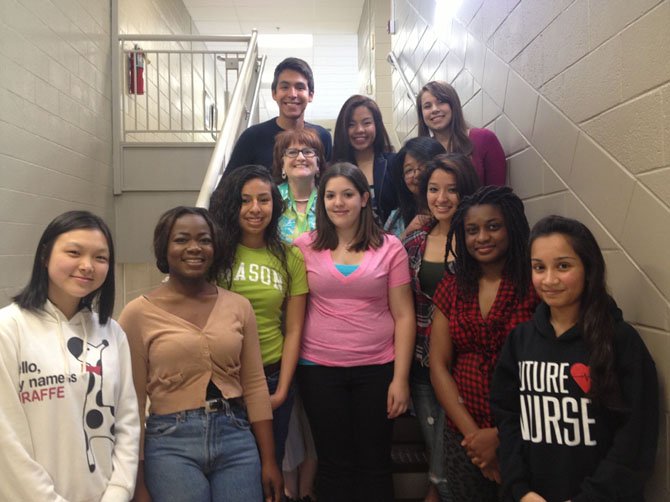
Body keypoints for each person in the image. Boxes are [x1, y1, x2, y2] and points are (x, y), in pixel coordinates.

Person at [491, 215, 659, 502]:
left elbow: (634, 437)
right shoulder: (520, 340)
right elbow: (508, 421)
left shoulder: (620, 341)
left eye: (563, 266)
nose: (549, 279)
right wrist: (520, 489)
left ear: (588, 268)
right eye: (538, 268)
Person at [119, 206, 281, 502]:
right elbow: (132, 403)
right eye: (181, 239)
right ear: (164, 248)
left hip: (236, 437)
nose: (194, 248)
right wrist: (137, 481)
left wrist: (270, 460)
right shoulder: (137, 314)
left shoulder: (239, 307)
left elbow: (256, 385)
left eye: (204, 240)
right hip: (170, 444)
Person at [293, 163, 415, 501]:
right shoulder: (303, 246)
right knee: (334, 464)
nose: (338, 202)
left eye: (347, 194)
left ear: (364, 198)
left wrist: (400, 379)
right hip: (318, 371)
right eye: (330, 195)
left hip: (377, 369)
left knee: (375, 463)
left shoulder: (390, 247)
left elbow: (404, 315)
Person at [0, 210, 139, 501]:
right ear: (44, 255)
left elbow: (127, 421)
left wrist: (119, 491)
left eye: (100, 258)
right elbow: (6, 440)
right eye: (74, 252)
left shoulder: (111, 332)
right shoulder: (8, 328)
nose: (87, 265)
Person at [430, 186, 539, 501]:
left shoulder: (534, 286)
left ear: (512, 228)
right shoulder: (452, 287)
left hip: (526, 433)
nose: (482, 237)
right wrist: (474, 436)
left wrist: (501, 437)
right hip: (465, 434)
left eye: (493, 227)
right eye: (472, 230)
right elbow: (438, 365)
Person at [209, 166, 308, 471]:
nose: (255, 209)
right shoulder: (215, 254)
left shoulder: (290, 257)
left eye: (263, 200)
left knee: (270, 468)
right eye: (245, 200)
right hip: (219, 380)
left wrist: (281, 390)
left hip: (271, 375)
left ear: (275, 205)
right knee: (230, 471)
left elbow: (293, 330)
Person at [402, 153, 481, 501]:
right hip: (422, 363)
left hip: (465, 366)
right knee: (437, 448)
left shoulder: (478, 243)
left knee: (459, 455)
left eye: (452, 190)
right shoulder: (415, 242)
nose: (442, 198)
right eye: (434, 189)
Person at [224, 57, 332, 174]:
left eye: (300, 87)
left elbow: (329, 183)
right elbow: (227, 187)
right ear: (274, 93)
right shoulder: (252, 137)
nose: (292, 94)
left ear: (310, 95)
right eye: (285, 87)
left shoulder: (322, 137)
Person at [417, 81, 506, 186]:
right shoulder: (419, 153)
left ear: (453, 105)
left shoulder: (484, 139)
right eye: (427, 106)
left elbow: (497, 194)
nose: (434, 109)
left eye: (441, 102)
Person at [332, 94, 397, 222]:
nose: (360, 130)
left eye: (366, 123)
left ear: (377, 126)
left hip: (391, 239)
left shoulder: (394, 163)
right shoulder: (333, 169)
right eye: (351, 124)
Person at [271, 128, 326, 243]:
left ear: (318, 165)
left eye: (307, 152)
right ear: (282, 165)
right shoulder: (270, 198)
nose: (301, 158)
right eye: (292, 152)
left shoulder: (329, 199)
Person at [384, 136, 446, 238]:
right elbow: (384, 253)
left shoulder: (454, 209)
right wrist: (407, 233)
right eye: (408, 170)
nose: (416, 174)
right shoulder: (395, 219)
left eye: (424, 166)